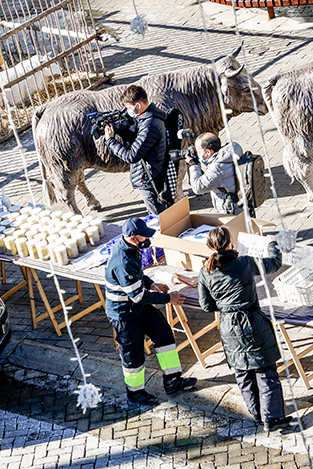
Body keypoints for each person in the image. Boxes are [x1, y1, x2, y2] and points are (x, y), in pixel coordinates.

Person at [197, 226, 297, 432]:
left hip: (228, 326)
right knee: (265, 370)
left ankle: (258, 415)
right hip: (252, 323)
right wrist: (272, 243)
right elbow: (274, 263)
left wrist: (226, 307)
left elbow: (206, 305)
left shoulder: (205, 271)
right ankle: (272, 418)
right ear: (230, 243)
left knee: (243, 373)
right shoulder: (244, 263)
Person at [105, 217, 197, 404]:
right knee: (133, 354)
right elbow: (137, 296)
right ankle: (135, 392)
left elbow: (139, 276)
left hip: (138, 307)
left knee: (163, 334)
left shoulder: (131, 249)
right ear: (132, 238)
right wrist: (168, 299)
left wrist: (152, 284)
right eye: (143, 236)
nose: (147, 239)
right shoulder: (123, 261)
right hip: (124, 314)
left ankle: (173, 380)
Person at [103, 85, 172, 216]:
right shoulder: (148, 118)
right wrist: (123, 132)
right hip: (151, 173)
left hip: (150, 178)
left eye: (129, 107)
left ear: (138, 105)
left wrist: (110, 141)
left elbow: (132, 156)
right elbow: (140, 143)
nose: (128, 111)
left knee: (157, 217)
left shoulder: (150, 124)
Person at [189, 133, 243, 215]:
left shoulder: (217, 169)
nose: (198, 154)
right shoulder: (231, 152)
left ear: (208, 152)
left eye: (199, 152)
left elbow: (197, 188)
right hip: (244, 206)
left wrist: (194, 165)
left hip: (231, 212)